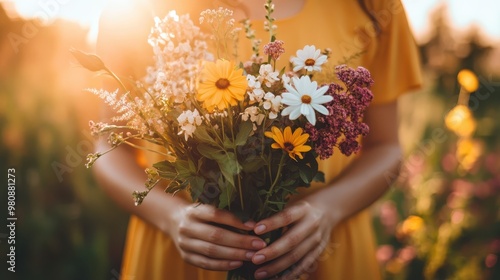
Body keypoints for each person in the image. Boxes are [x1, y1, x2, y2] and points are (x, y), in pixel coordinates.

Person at [94, 0, 422, 279]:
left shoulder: (373, 6)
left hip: (323, 251)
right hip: (181, 255)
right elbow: (109, 147)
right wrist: (170, 216)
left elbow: (386, 147)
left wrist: (329, 209)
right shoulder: (134, 11)